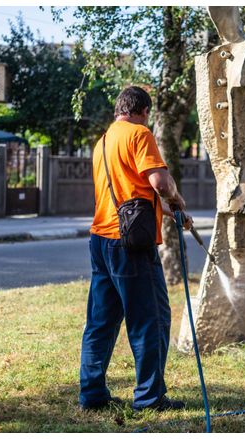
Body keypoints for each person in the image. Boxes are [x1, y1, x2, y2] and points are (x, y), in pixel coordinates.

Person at [79, 86, 192, 412]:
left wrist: (168, 212)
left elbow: (131, 192)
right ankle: (150, 398)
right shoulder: (140, 134)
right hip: (131, 245)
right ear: (143, 111)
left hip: (101, 239)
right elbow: (158, 183)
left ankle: (92, 396)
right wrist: (176, 198)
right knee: (151, 319)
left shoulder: (102, 142)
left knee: (100, 322)